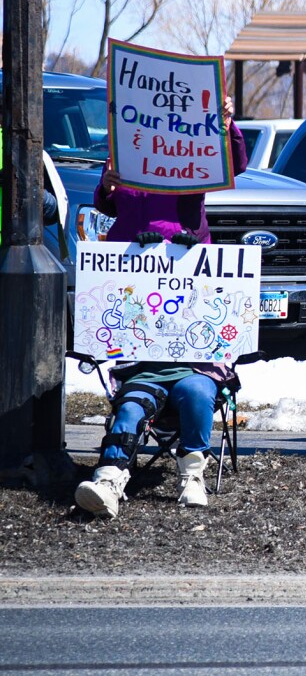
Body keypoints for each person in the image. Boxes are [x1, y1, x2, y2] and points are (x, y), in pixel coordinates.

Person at [75, 95, 248, 518]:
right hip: (136, 287)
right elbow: (106, 202)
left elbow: (235, 165)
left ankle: (193, 472)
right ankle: (110, 478)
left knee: (193, 389)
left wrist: (225, 125)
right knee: (133, 399)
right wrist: (108, 184)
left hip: (189, 275)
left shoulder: (194, 145)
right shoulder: (127, 147)